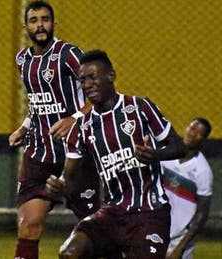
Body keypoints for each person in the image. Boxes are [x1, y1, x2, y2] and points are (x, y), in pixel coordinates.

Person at [46, 50, 188, 259]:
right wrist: (59, 184)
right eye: (82, 80)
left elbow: (179, 147)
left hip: (150, 214)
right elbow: (68, 178)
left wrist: (154, 155)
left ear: (110, 76)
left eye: (93, 77)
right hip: (111, 214)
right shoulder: (81, 128)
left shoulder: (140, 108)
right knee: (70, 252)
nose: (87, 85)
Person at [9, 2, 101, 258]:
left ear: (53, 23)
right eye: (35, 20)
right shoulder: (22, 60)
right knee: (28, 224)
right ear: (25, 26)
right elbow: (38, 102)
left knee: (94, 227)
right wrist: (24, 127)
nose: (40, 25)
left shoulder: (69, 54)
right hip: (38, 154)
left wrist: (73, 119)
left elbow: (98, 94)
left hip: (75, 155)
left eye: (45, 19)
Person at [162, 118, 213, 259]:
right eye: (191, 128)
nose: (192, 133)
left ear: (203, 140)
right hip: (155, 230)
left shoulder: (202, 171)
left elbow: (202, 215)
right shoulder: (166, 154)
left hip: (178, 240)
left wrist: (180, 247)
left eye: (198, 133)